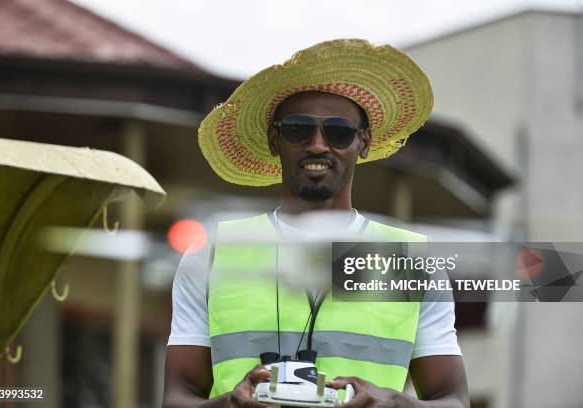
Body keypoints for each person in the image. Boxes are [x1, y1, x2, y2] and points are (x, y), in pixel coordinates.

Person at [163, 39, 469, 408]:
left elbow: (454, 400)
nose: (318, 145)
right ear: (274, 140)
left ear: (364, 142)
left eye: (338, 132)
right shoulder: (209, 254)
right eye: (298, 129)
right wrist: (229, 403)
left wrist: (393, 403)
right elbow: (176, 398)